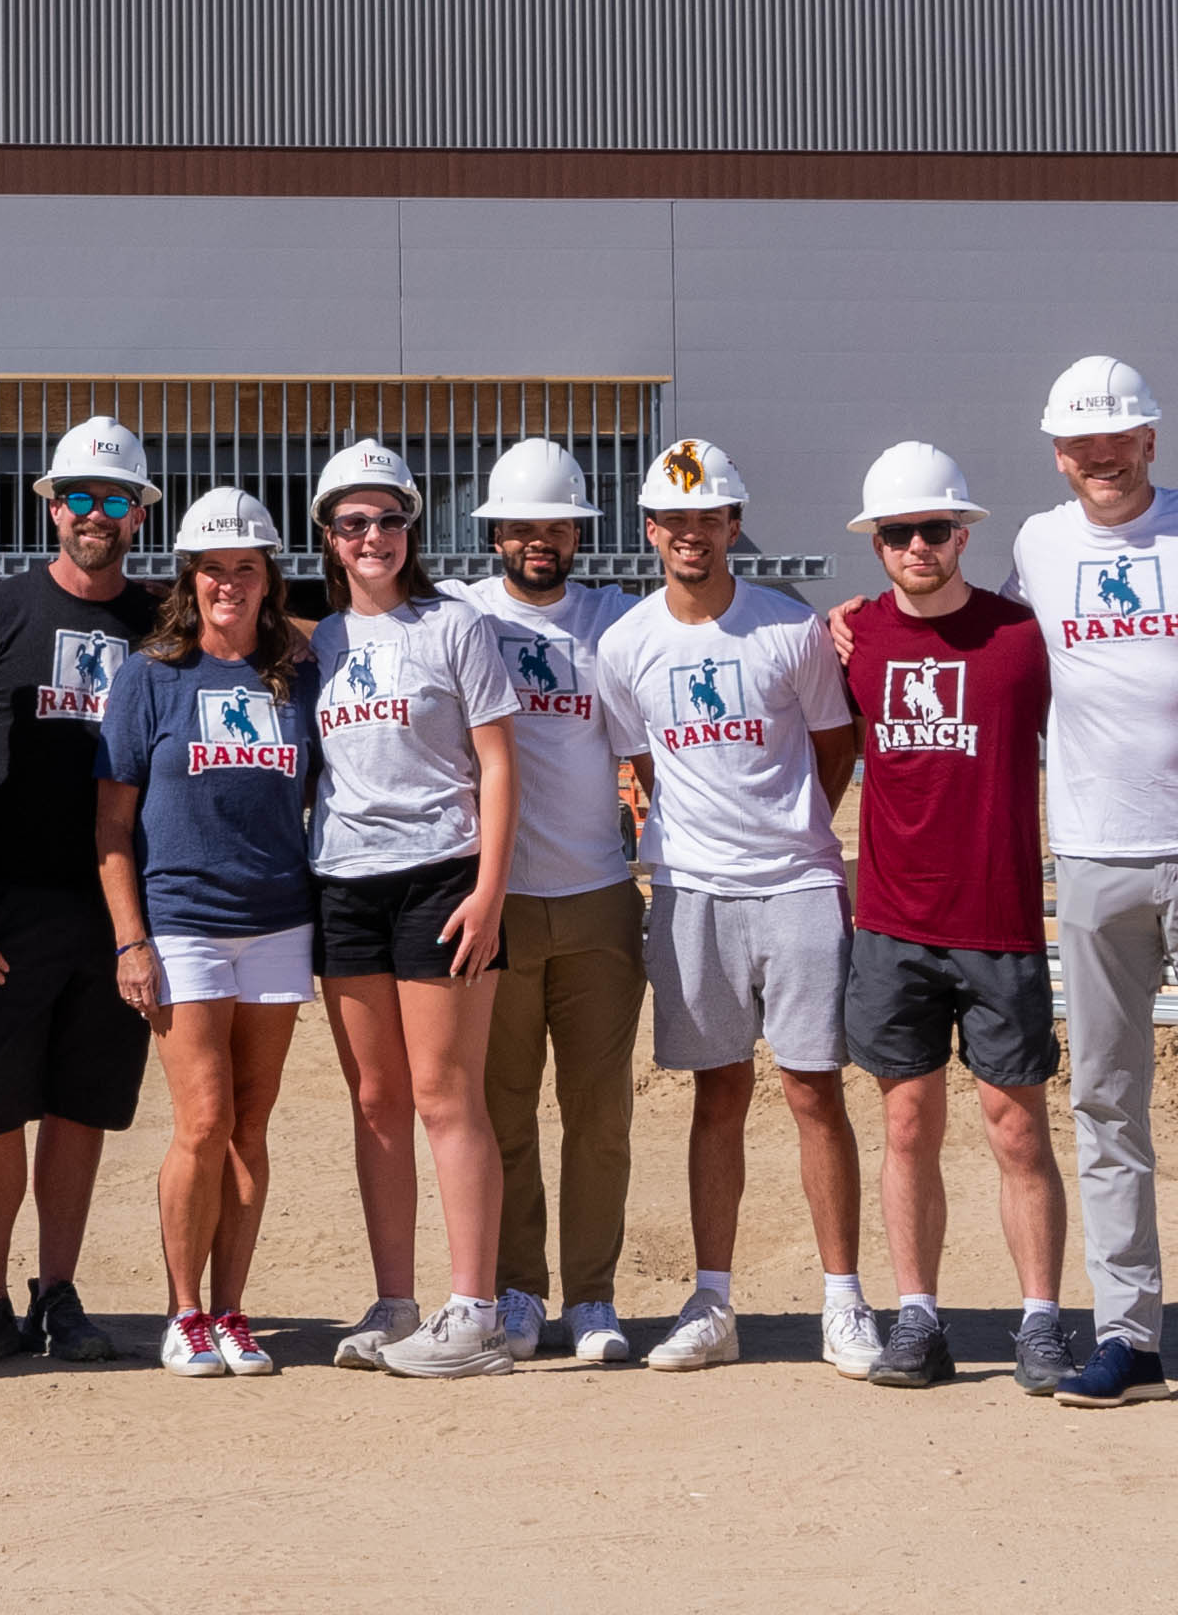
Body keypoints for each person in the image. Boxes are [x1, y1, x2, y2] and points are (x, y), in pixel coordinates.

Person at [1002, 355, 1178, 1413]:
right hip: (1092, 855)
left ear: (1150, 439)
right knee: (1104, 1099)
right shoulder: (1037, 544)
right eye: (1080, 444)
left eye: (1117, 439)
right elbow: (988, 645)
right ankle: (1127, 1332)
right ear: (1056, 453)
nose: (1101, 457)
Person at [594, 438, 868, 1376]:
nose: (691, 534)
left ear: (733, 525)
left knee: (814, 1091)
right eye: (674, 520)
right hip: (691, 890)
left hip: (797, 886)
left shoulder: (787, 628)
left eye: (708, 518)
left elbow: (834, 747)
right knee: (717, 1093)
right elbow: (642, 764)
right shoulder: (626, 644)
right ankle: (712, 1302)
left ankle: (844, 1303)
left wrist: (788, 833)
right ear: (650, 529)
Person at [0, 415, 161, 1365]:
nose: (95, 513)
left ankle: (56, 1293)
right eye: (80, 497)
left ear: (138, 515)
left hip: (118, 909)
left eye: (115, 499)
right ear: (53, 507)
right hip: (4, 908)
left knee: (80, 1105)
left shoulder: (163, 625)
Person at [831, 441, 1068, 1393]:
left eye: (935, 528)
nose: (918, 546)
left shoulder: (1023, 639)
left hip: (1000, 923)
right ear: (877, 545)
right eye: (899, 533)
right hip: (894, 926)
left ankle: (1041, 1322)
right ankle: (918, 1318)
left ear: (964, 533)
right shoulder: (851, 639)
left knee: (1018, 1130)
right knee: (906, 1126)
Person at [303, 438, 524, 1381]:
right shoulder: (315, 643)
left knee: (444, 1093)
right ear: (329, 536)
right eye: (354, 522)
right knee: (377, 1099)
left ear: (411, 528)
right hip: (344, 882)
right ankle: (395, 1302)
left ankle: (473, 1312)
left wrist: (488, 891)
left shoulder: (454, 626)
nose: (374, 536)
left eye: (389, 519)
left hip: (442, 877)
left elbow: (499, 763)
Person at [95, 488, 313, 1380]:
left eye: (246, 568)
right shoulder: (150, 675)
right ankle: (183, 1312)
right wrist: (130, 940)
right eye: (214, 569)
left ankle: (231, 1310)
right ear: (189, 578)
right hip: (182, 923)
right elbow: (112, 826)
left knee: (250, 1126)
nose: (229, 584)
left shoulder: (296, 672)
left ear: (269, 577)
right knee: (205, 1119)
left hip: (279, 920)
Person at [449, 437, 643, 1366]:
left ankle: (592, 1296)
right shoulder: (459, 616)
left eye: (556, 526)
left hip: (599, 895)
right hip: (499, 902)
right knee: (504, 1109)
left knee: (600, 1114)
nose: (539, 540)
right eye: (521, 526)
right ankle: (518, 1288)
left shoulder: (615, 619)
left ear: (578, 534)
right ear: (494, 534)